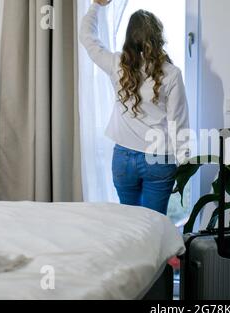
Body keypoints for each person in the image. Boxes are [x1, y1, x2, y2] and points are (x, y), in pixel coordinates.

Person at [80, 0, 190, 215]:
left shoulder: (116, 64)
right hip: (158, 158)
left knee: (130, 226)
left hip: (123, 158)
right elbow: (178, 121)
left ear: (129, 37)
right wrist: (184, 163)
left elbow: (87, 38)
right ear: (158, 38)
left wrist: (96, 5)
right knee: (153, 225)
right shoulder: (172, 73)